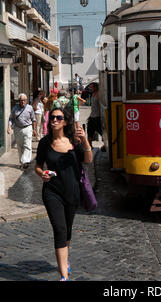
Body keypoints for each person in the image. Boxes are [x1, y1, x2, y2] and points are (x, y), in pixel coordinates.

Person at [35, 107, 93, 281]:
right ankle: (64, 277)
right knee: (59, 230)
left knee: (67, 229)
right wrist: (42, 174)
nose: (54, 120)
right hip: (52, 192)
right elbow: (38, 166)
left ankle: (64, 259)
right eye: (52, 117)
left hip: (72, 192)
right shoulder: (45, 143)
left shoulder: (75, 143)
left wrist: (85, 140)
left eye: (58, 117)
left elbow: (88, 160)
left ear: (65, 121)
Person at [7, 93, 37, 170]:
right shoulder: (15, 108)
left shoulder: (30, 108)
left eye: (24, 100)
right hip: (17, 129)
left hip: (27, 128)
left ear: (26, 100)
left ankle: (25, 161)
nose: (22, 102)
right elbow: (11, 118)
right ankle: (22, 162)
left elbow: (33, 119)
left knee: (27, 145)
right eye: (21, 100)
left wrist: (34, 130)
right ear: (19, 101)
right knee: (20, 147)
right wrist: (9, 127)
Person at [87, 82, 102, 147]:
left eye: (91, 87)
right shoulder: (93, 94)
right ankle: (89, 145)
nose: (90, 88)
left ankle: (106, 144)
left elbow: (101, 105)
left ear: (95, 87)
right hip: (92, 115)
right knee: (89, 130)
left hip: (97, 116)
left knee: (101, 131)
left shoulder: (99, 94)